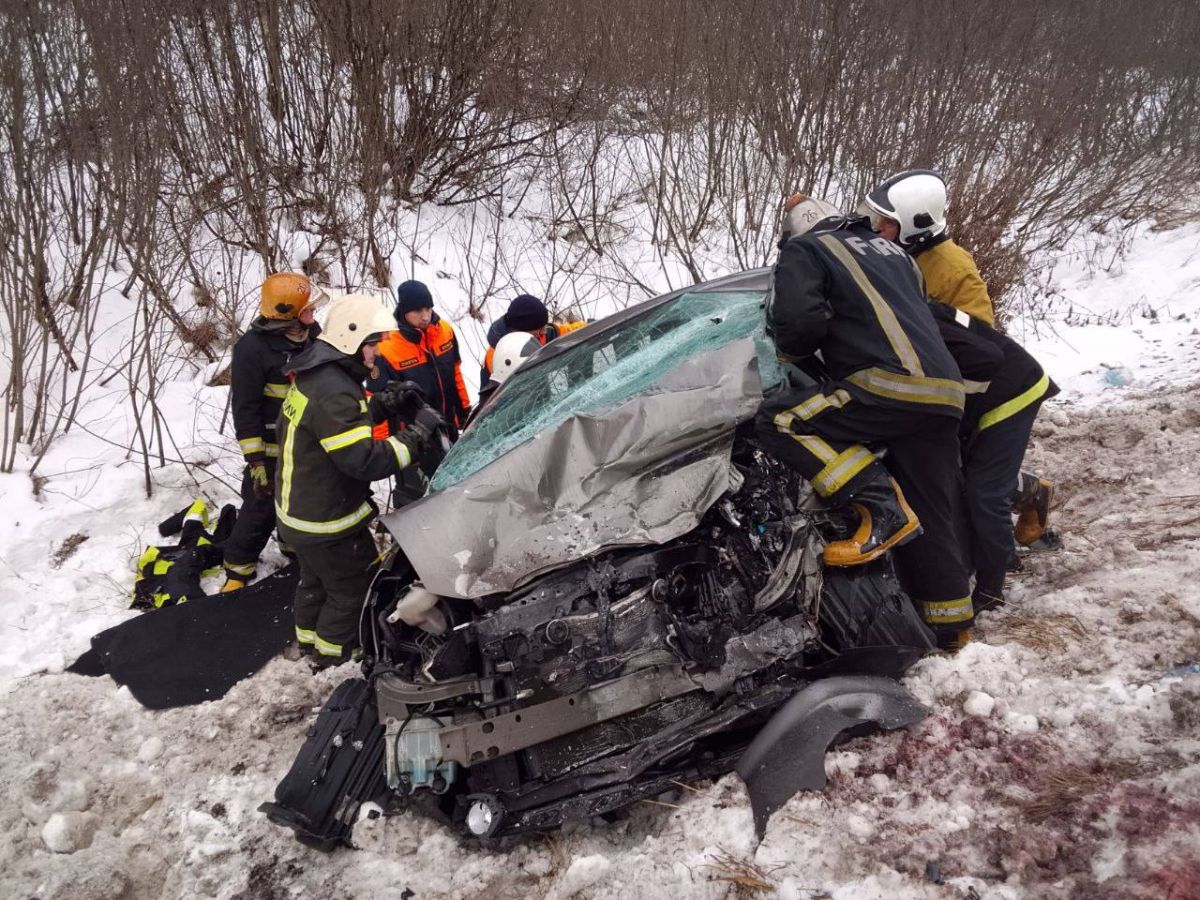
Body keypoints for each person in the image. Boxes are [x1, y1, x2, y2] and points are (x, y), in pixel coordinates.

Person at [754, 193, 974, 650]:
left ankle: (880, 507)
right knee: (932, 510)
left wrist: (790, 356)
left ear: (792, 232)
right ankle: (953, 628)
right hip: (945, 392)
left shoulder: (806, 250)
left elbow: (797, 320)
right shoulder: (895, 252)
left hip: (885, 385)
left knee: (780, 422)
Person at [864, 169, 1056, 546]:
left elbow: (978, 342)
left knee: (968, 477)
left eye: (885, 224)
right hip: (931, 382)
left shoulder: (952, 270)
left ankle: (1004, 555)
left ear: (914, 228)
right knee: (961, 470)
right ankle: (1020, 498)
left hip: (972, 388)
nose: (876, 229)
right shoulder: (898, 257)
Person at [275, 293, 437, 665]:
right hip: (326, 522)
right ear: (350, 340)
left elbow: (342, 422)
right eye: (373, 343)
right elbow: (363, 461)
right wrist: (415, 437)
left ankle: (308, 643)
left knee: (315, 583)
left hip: (300, 514)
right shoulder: (334, 391)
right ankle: (335, 657)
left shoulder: (321, 378)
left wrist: (386, 401)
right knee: (351, 590)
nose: (377, 352)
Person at [927, 303, 1059, 612]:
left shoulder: (898, 316)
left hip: (1009, 388)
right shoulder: (899, 295)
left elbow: (984, 358)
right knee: (965, 476)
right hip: (993, 387)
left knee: (985, 493)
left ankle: (991, 587)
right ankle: (1029, 490)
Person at [221, 273, 318, 592]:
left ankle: (292, 547)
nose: (313, 314)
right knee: (260, 507)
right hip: (271, 448)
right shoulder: (252, 348)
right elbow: (244, 407)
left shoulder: (312, 335)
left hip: (305, 444)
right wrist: (256, 461)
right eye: (307, 309)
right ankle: (237, 568)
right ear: (286, 313)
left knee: (302, 502)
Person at [862, 169, 995, 326]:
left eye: (889, 222)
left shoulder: (956, 272)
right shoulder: (892, 249)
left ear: (915, 228)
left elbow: (980, 336)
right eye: (878, 217)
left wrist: (929, 319)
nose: (877, 226)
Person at [367, 280, 471, 436]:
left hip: (449, 424)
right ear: (404, 311)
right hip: (415, 436)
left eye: (428, 309)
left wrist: (464, 411)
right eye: (417, 311)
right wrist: (383, 447)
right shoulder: (385, 347)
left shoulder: (444, 331)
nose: (425, 316)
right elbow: (376, 403)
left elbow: (455, 372)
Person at [481, 294, 587, 383]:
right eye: (540, 329)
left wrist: (590, 326)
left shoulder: (542, 334)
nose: (544, 331)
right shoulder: (495, 357)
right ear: (522, 329)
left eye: (544, 326)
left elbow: (568, 331)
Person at [466, 331, 542, 427]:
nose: (534, 378)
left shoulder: (528, 393)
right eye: (530, 370)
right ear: (509, 365)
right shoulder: (492, 414)